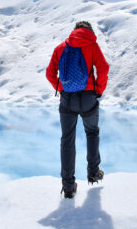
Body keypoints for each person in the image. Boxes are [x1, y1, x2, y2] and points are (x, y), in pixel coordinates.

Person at [46, 21, 109, 199]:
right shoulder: (92, 46)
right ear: (90, 31)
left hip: (67, 99)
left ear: (74, 31)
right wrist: (99, 90)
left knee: (67, 139)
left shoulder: (61, 48)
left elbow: (50, 73)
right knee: (92, 132)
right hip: (89, 97)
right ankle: (94, 173)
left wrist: (61, 89)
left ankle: (68, 186)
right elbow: (103, 68)